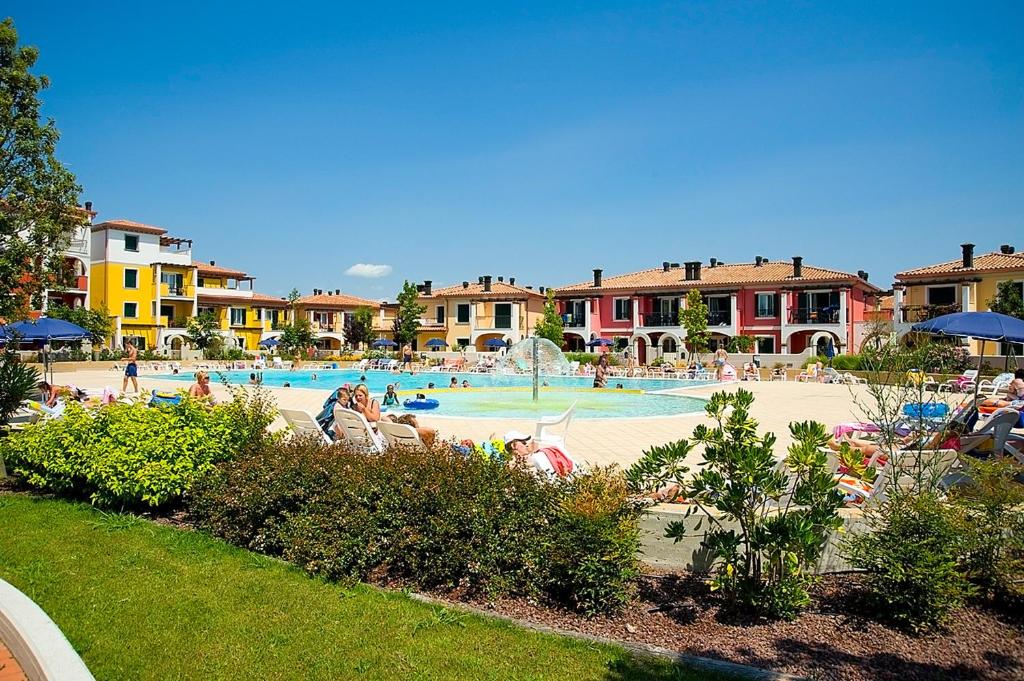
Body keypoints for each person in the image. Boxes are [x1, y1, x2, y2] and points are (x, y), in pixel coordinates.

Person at [504, 430, 579, 478]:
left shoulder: (523, 461)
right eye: (523, 443)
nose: (526, 445)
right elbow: (522, 465)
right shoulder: (512, 464)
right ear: (513, 446)